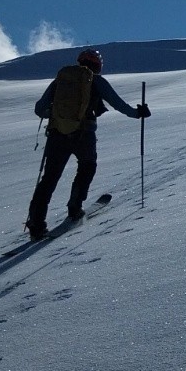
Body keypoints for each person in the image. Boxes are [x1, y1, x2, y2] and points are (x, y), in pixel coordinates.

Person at [26, 48, 150, 240]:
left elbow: (39, 109)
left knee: (49, 178)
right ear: (98, 65)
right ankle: (75, 208)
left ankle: (36, 223)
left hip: (57, 135)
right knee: (87, 166)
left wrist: (58, 116)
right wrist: (137, 113)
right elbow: (117, 103)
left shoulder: (60, 81)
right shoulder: (96, 81)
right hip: (83, 134)